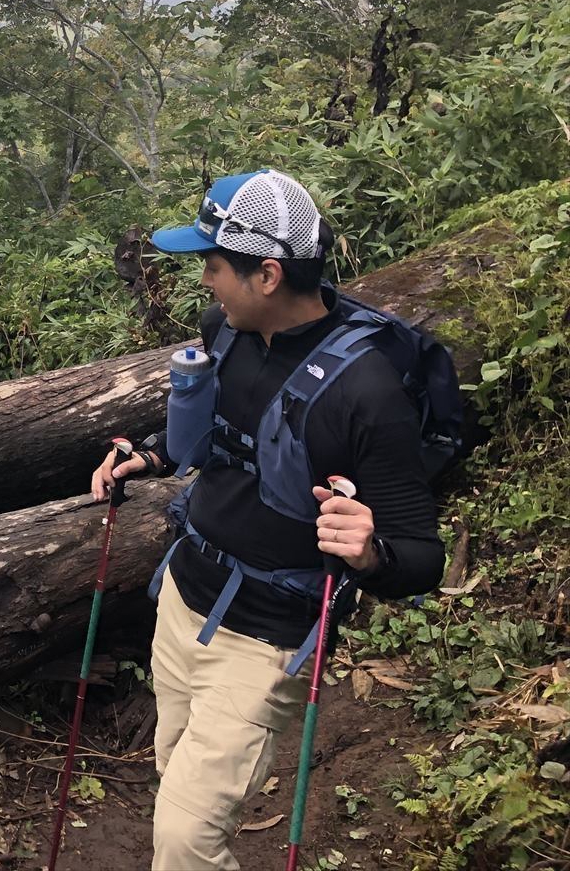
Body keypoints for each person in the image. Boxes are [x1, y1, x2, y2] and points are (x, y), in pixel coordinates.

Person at [91, 169, 443, 871]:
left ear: (269, 274)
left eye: (213, 265)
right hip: (182, 603)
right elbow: (225, 436)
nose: (204, 282)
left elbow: (421, 557)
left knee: (186, 840)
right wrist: (153, 456)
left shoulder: (367, 392)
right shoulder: (224, 330)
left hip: (266, 642)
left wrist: (370, 554)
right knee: (176, 784)